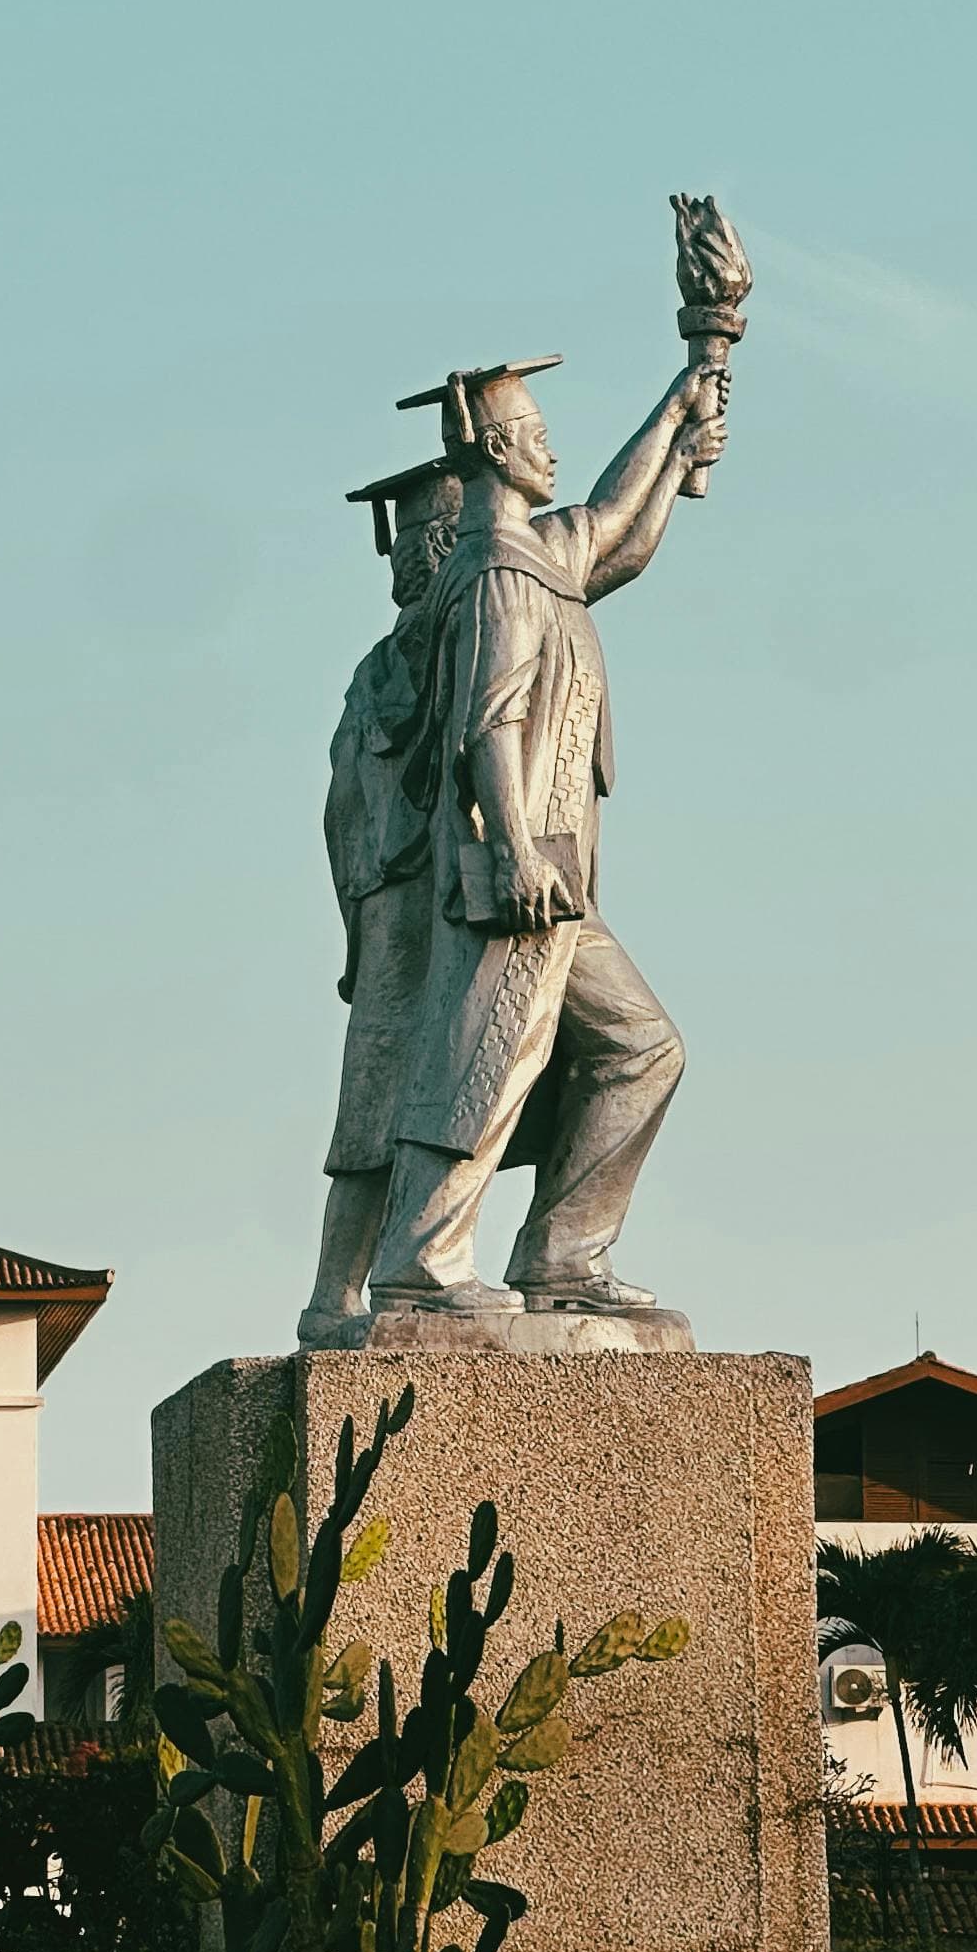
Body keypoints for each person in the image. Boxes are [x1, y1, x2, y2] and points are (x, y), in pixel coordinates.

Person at [363, 354, 727, 1319]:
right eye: (532, 433)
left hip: (559, 884)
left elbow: (619, 529)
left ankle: (565, 1252)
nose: (548, 443)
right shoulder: (493, 577)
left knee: (641, 1047)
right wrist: (515, 846)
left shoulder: (535, 557)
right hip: (512, 875)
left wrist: (684, 398)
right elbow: (489, 720)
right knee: (483, 1058)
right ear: (492, 449)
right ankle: (420, 1265)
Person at [299, 459, 464, 1347]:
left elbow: (335, 814)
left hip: (376, 911)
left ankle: (339, 1289)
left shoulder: (370, 669)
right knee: (401, 1099)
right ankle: (353, 1286)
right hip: (416, 904)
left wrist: (352, 931)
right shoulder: (441, 643)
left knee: (376, 1100)